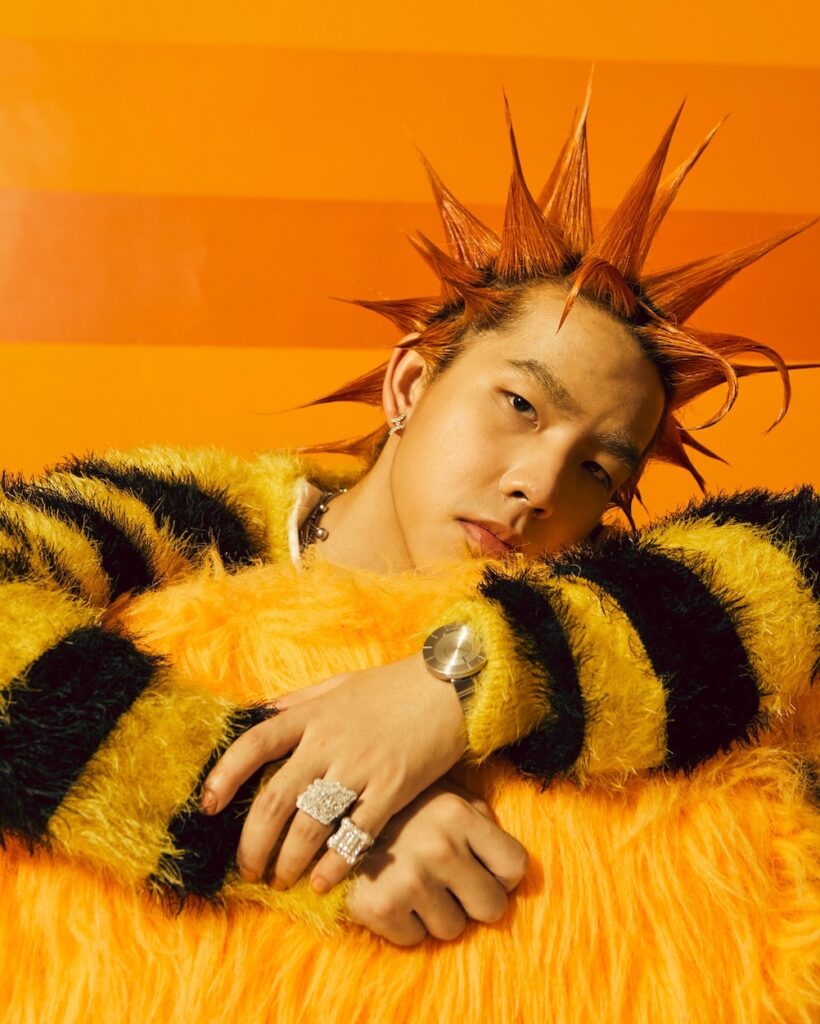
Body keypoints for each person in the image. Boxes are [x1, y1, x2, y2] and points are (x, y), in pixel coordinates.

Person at [1, 89, 818, 1020]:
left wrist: (454, 684)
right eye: (521, 405)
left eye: (598, 469)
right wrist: (308, 812)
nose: (540, 485)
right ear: (410, 382)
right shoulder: (194, 523)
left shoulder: (608, 605)